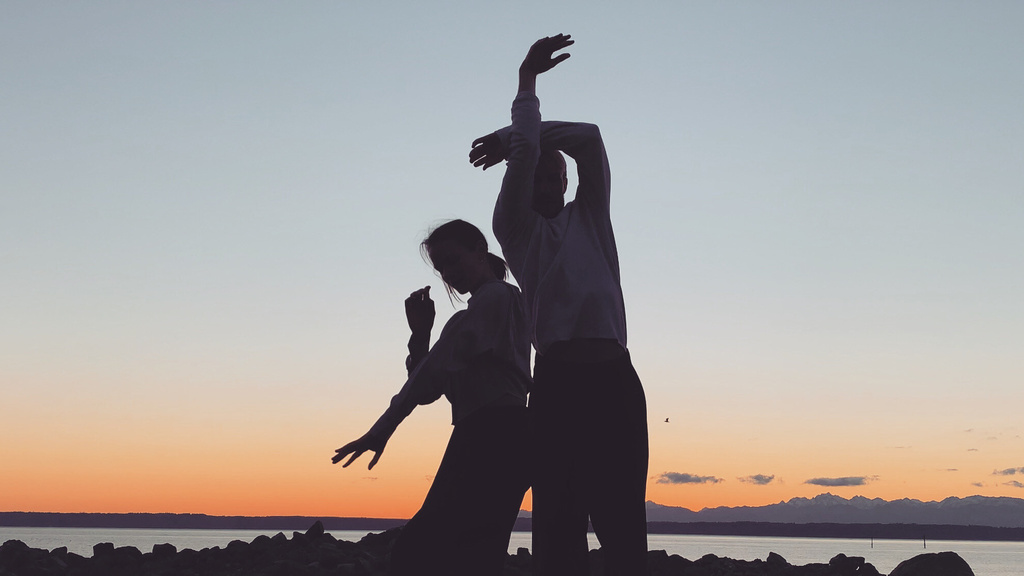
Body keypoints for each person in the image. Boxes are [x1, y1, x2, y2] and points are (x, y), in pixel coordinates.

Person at [469, 35, 649, 576]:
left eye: (557, 177)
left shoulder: (591, 219)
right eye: (540, 178)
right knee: (558, 523)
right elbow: (525, 158)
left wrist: (511, 134)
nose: (548, 184)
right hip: (558, 387)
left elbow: (590, 139)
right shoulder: (516, 230)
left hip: (616, 381)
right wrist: (525, 84)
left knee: (622, 521)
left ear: (568, 182)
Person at [333, 219, 531, 576]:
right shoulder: (493, 308)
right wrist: (421, 336)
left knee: (423, 549)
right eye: (441, 268)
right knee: (472, 551)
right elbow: (432, 385)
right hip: (494, 433)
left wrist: (382, 430)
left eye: (453, 261)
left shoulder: (495, 301)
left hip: (491, 432)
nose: (448, 274)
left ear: (480, 250)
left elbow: (430, 377)